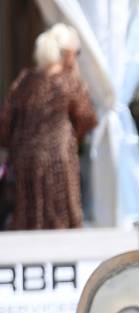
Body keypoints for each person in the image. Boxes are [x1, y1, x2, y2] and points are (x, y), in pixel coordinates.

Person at [0, 24, 97, 230]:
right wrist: (74, 137)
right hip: (59, 159)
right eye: (76, 52)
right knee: (60, 218)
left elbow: (6, 121)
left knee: (28, 217)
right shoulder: (69, 82)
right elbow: (87, 117)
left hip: (24, 157)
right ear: (67, 54)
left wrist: (14, 145)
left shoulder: (25, 79)